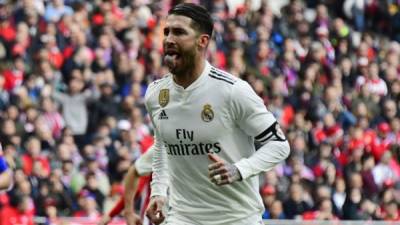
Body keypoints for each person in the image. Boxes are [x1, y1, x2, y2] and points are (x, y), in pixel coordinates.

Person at [145, 3, 290, 225]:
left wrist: (239, 169)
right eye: (167, 32)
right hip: (183, 217)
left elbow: (279, 145)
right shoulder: (156, 94)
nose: (168, 39)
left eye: (179, 32)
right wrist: (158, 191)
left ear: (202, 41)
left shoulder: (232, 91)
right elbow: (162, 144)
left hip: (237, 218)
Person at [99, 147, 154, 225]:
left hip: (155, 213)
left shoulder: (159, 148)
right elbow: (135, 188)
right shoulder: (159, 149)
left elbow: (136, 190)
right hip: (157, 214)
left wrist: (111, 214)